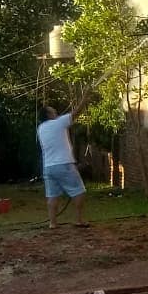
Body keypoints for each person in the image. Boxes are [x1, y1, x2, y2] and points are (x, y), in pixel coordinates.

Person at [37, 95, 90, 229]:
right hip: (64, 164)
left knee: (52, 195)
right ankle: (78, 219)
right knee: (79, 191)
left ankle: (52, 223)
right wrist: (85, 97)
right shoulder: (58, 123)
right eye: (52, 110)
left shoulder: (41, 128)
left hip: (48, 166)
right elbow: (76, 112)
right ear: (49, 114)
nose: (55, 111)